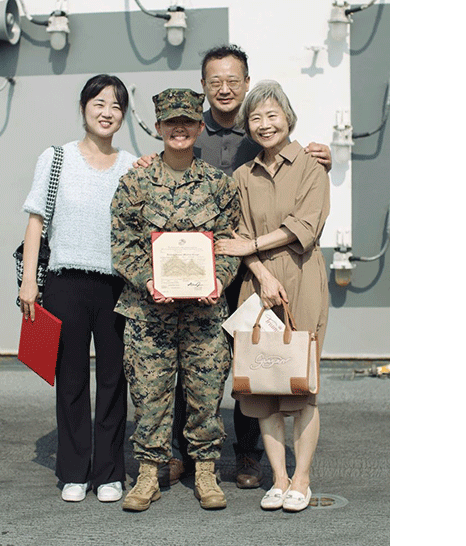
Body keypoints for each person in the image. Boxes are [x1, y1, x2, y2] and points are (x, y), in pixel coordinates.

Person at [136, 45, 331, 490]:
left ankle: (248, 456)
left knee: (259, 363)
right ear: (203, 87)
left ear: (246, 83)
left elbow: (295, 188)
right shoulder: (188, 133)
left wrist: (323, 160)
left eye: (233, 80)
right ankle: (184, 454)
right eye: (215, 81)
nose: (225, 88)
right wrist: (148, 159)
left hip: (248, 271)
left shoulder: (258, 135)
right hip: (193, 273)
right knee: (192, 365)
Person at [111, 88, 241, 511]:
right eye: (171, 123)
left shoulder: (218, 186)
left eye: (187, 122)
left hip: (203, 313)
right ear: (160, 128)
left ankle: (206, 472)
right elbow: (123, 245)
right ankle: (149, 474)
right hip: (150, 311)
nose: (179, 129)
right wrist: (149, 280)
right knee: (150, 395)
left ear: (200, 127)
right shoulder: (135, 182)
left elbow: (227, 242)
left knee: (205, 393)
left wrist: (219, 281)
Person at [18, 74, 137, 504]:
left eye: (116, 105)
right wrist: (30, 280)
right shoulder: (54, 159)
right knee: (69, 380)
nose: (107, 112)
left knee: (112, 379)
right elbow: (36, 221)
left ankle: (108, 473)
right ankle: (73, 470)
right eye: (98, 103)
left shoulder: (131, 166)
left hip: (114, 286)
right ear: (84, 107)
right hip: (65, 280)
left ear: (123, 115)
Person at [215, 80, 330, 513]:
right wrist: (259, 270)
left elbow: (306, 225)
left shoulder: (311, 167)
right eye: (256, 118)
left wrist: (252, 247)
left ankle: (302, 478)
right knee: (263, 384)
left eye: (272, 115)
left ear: (288, 117)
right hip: (259, 284)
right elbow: (238, 236)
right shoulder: (243, 176)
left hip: (302, 278)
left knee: (301, 384)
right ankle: (278, 478)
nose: (265, 125)